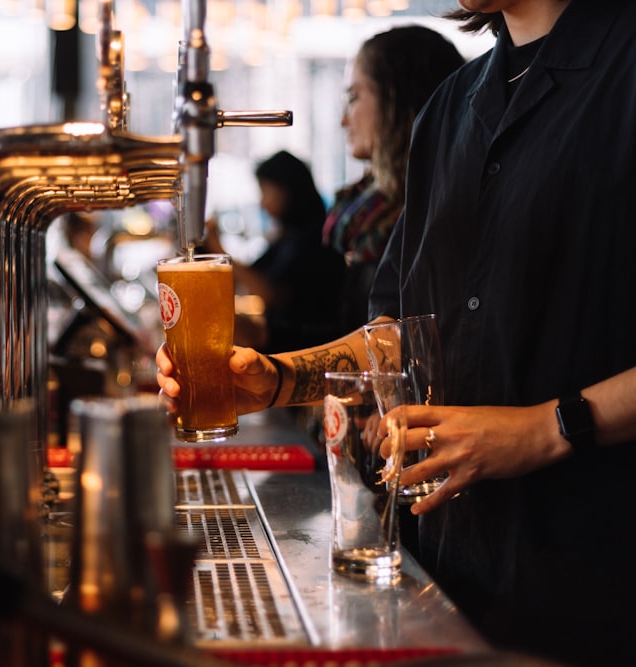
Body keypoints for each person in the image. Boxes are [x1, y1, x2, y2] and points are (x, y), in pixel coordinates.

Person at [159, 1, 636, 664]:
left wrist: (543, 427)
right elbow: (402, 332)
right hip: (453, 567)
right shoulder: (452, 106)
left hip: (599, 585)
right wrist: (274, 378)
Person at [323, 26, 464, 332]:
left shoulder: (433, 210)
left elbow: (389, 343)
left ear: (395, 98)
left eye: (354, 97)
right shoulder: (368, 211)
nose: (343, 119)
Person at [204, 151, 345, 353]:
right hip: (288, 342)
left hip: (309, 349)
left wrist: (216, 249)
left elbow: (267, 292)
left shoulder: (316, 236)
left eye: (265, 192)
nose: (262, 203)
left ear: (287, 189)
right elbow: (252, 275)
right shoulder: (289, 234)